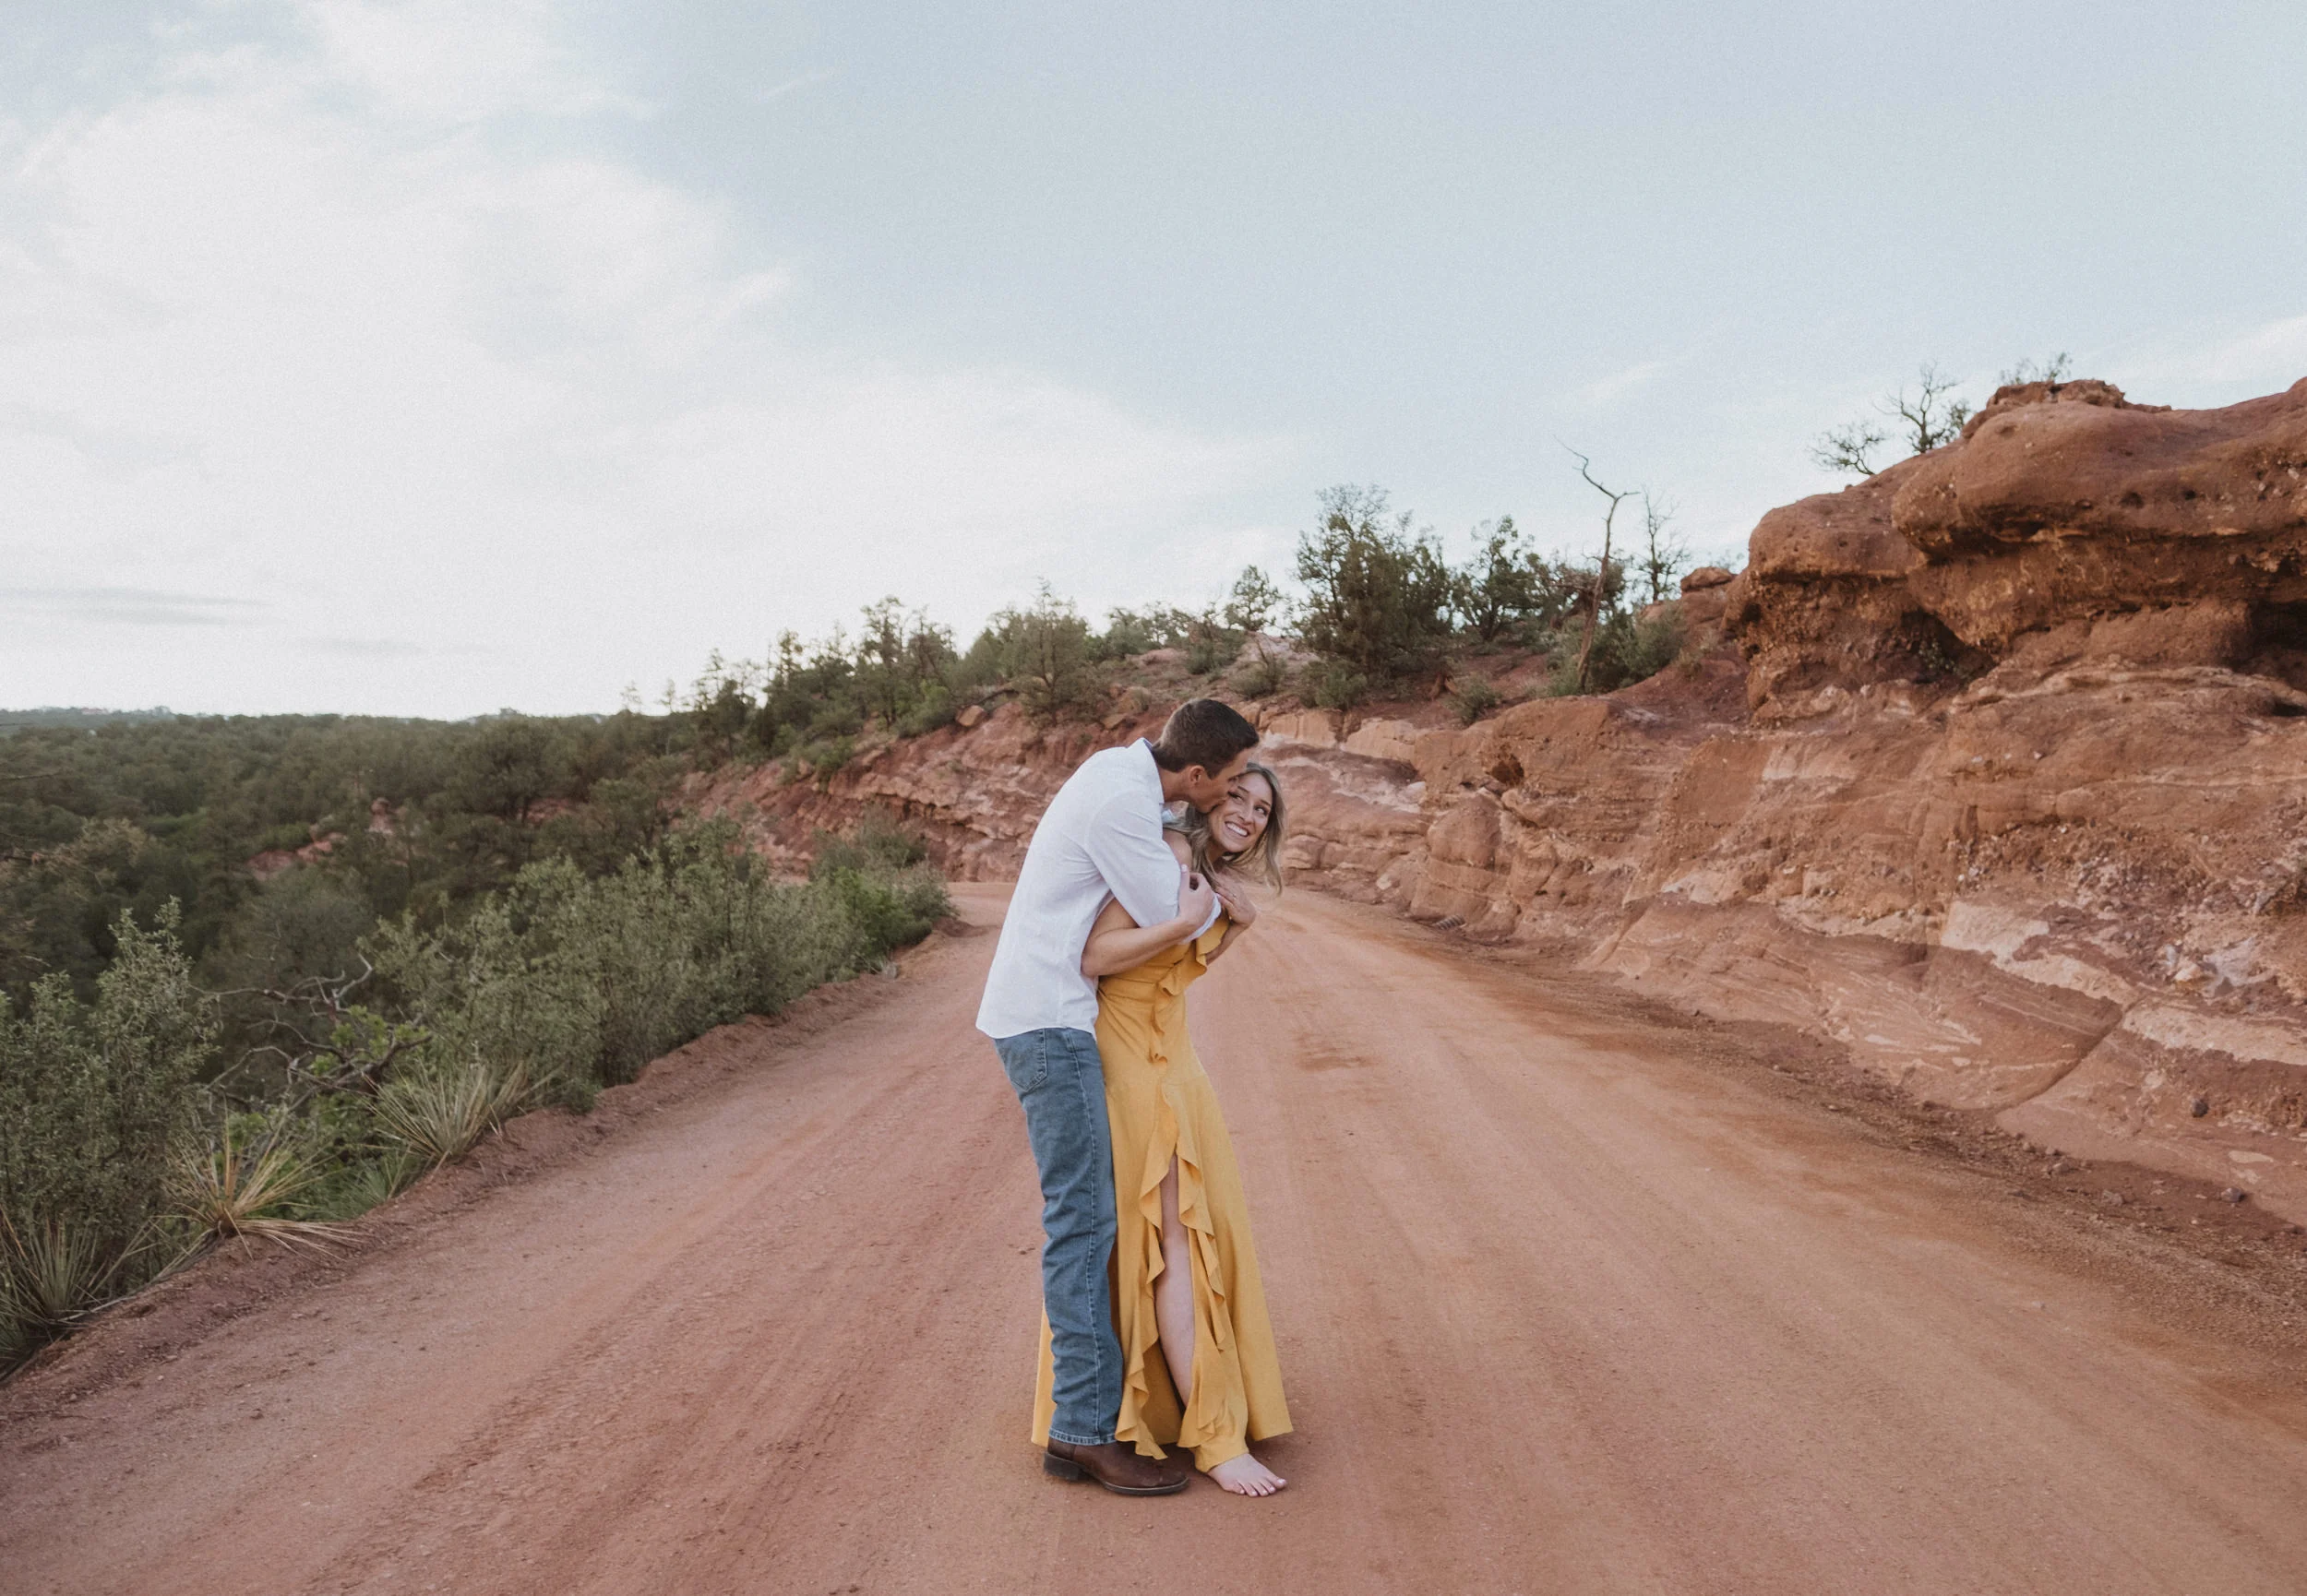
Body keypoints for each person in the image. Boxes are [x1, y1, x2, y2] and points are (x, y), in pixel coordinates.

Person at [977, 698, 1261, 1496]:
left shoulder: (1121, 776)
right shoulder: (1126, 808)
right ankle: (1084, 1433)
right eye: (1231, 782)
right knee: (1084, 1225)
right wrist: (1206, 909)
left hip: (1048, 1018)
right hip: (1052, 1025)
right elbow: (1173, 918)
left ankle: (1086, 1421)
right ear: (1196, 774)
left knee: (1092, 1222)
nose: (1233, 796)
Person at [1034, 761, 1294, 1497]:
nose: (1245, 813)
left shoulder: (1208, 876)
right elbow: (1097, 956)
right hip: (1131, 1064)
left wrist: (1227, 926)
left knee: (1174, 1233)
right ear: (1208, 791)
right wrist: (1191, 921)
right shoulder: (1169, 856)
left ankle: (1146, 1408)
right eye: (1237, 796)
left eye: (1261, 809)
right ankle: (1215, 1438)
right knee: (1171, 1235)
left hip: (1177, 1061)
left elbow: (1177, 972)